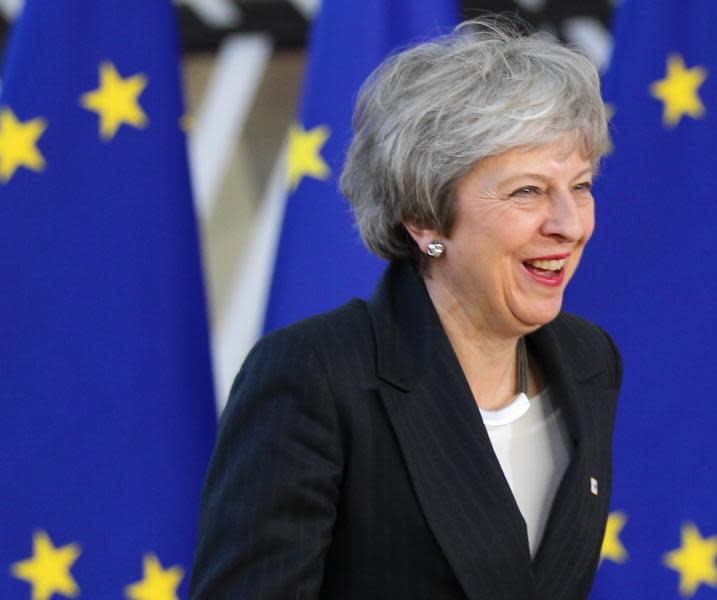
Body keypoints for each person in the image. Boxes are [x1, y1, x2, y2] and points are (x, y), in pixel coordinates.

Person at [189, 17, 621, 600]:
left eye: (581, 186)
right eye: (528, 191)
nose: (569, 225)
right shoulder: (315, 376)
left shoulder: (588, 360)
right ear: (424, 219)